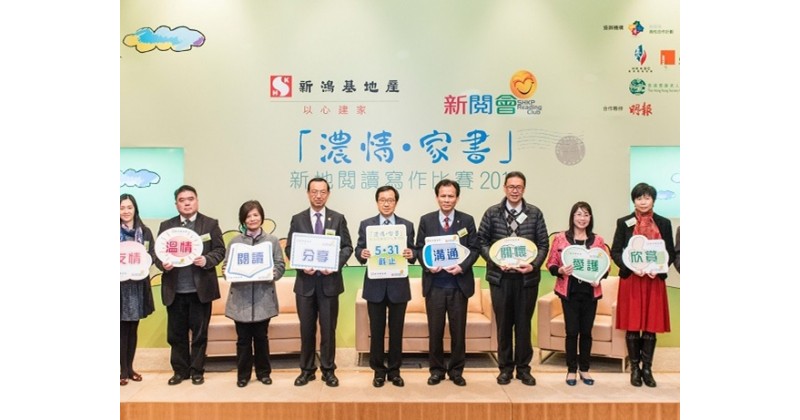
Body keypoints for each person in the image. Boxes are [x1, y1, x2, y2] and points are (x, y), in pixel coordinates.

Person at [477, 171, 548, 386]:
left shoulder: (535, 213)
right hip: (500, 279)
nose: (514, 190)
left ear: (523, 189)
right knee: (504, 325)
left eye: (518, 187)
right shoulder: (492, 213)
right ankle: (505, 369)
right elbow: (481, 241)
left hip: (526, 280)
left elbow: (543, 244)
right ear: (505, 188)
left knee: (523, 325)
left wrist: (533, 265)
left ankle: (524, 369)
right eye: (511, 186)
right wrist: (494, 260)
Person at [285, 177, 353, 387]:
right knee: (306, 330)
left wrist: (334, 264)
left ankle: (328, 370)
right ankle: (306, 370)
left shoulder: (338, 218)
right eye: (314, 191)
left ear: (328, 194)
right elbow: (289, 248)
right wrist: (300, 265)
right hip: (305, 285)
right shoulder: (298, 219)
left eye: (322, 192)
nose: (318, 196)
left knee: (328, 330)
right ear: (308, 193)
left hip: (329, 284)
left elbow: (347, 247)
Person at [155, 185, 226, 386]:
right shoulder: (166, 226)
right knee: (176, 334)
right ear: (176, 204)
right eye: (182, 200)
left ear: (197, 201)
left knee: (199, 334)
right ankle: (180, 371)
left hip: (200, 290)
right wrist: (163, 264)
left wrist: (207, 260)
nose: (187, 203)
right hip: (175, 290)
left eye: (190, 199)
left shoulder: (210, 224)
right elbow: (158, 254)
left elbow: (220, 250)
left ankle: (197, 371)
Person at [611, 182, 676, 388]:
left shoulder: (663, 223)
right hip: (632, 279)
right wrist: (629, 267)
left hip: (653, 280)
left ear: (653, 200)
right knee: (632, 325)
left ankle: (647, 369)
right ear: (634, 201)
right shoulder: (624, 222)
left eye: (647, 197)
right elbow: (615, 251)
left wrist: (659, 267)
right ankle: (635, 369)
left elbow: (670, 252)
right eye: (639, 198)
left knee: (650, 325)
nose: (643, 201)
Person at [415, 179, 479, 387]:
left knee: (458, 332)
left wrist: (462, 266)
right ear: (437, 197)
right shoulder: (426, 220)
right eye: (443, 195)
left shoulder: (467, 220)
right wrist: (428, 265)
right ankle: (436, 371)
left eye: (451, 196)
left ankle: (456, 371)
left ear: (457, 198)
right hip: (435, 285)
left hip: (458, 285)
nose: (447, 199)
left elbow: (475, 249)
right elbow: (419, 249)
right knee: (435, 331)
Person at [355, 186, 416, 388]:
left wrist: (412, 254)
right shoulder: (367, 225)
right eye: (382, 200)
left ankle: (395, 371)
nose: (386, 204)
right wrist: (362, 254)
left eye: (390, 200)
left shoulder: (406, 225)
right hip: (375, 286)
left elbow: (414, 250)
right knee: (377, 331)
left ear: (396, 202)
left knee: (397, 332)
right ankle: (379, 372)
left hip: (399, 285)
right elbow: (358, 249)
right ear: (377, 202)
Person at [223, 200, 286, 388]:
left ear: (262, 217)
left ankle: (263, 373)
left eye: (255, 215)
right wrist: (227, 272)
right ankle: (243, 375)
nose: (252, 219)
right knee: (242, 340)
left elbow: (280, 265)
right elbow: (226, 266)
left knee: (261, 338)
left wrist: (272, 273)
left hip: (263, 298)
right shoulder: (235, 242)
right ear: (243, 220)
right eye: (248, 216)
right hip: (240, 299)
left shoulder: (272, 241)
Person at [546, 201, 608, 386]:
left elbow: (605, 266)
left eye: (586, 215)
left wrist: (599, 277)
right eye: (579, 214)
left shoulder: (598, 240)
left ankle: (585, 369)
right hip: (569, 292)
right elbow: (551, 263)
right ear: (572, 217)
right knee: (572, 332)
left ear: (590, 218)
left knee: (586, 332)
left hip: (590, 292)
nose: (582, 218)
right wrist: (560, 270)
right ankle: (571, 370)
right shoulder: (560, 238)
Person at [119, 194, 156, 386]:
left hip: (137, 286)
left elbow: (151, 254)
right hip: (118, 286)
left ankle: (130, 368)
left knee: (133, 327)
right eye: (122, 207)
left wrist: (146, 262)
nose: (126, 211)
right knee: (120, 329)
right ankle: (122, 371)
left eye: (129, 207)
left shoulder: (145, 232)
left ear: (135, 209)